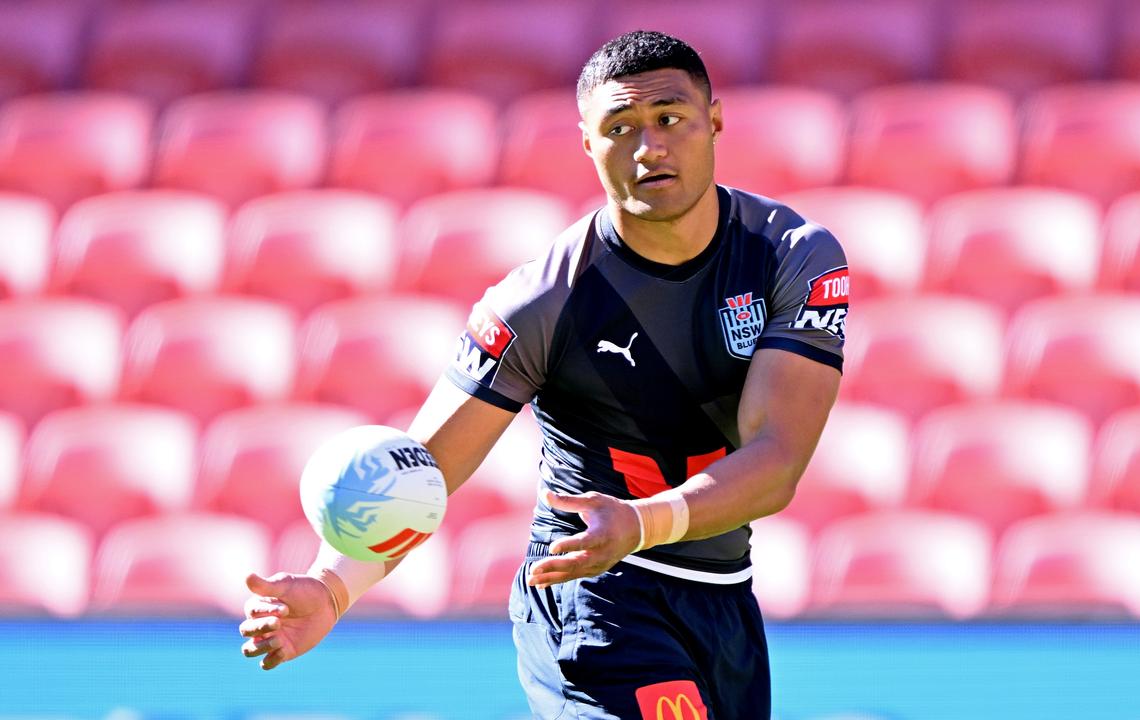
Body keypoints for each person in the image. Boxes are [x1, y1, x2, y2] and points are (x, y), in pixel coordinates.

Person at [239, 30, 848, 719]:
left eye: (670, 118)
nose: (649, 146)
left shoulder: (791, 256)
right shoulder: (539, 304)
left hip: (724, 603)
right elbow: (423, 471)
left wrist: (641, 522)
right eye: (619, 128)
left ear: (713, 121)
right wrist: (331, 586)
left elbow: (778, 459)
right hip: (594, 596)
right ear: (587, 144)